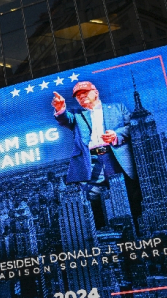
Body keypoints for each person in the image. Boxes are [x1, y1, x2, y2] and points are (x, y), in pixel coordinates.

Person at [51, 81, 142, 232]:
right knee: (91, 199)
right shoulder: (77, 115)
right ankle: (103, 234)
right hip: (92, 162)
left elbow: (132, 126)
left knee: (127, 195)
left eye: (84, 93)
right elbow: (65, 119)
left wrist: (116, 135)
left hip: (115, 158)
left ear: (96, 92)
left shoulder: (118, 108)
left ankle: (138, 231)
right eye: (78, 96)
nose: (81, 97)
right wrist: (60, 109)